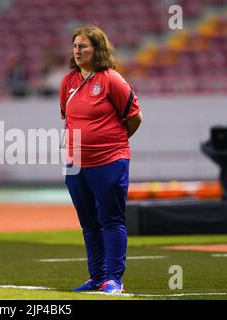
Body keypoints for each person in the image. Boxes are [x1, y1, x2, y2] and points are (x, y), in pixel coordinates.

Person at [59, 25, 143, 294]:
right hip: (76, 164)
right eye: (75, 46)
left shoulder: (112, 80)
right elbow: (67, 118)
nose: (78, 50)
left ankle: (114, 280)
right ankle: (96, 277)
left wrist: (112, 142)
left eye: (83, 46)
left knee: (111, 219)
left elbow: (135, 118)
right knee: (88, 222)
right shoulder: (68, 82)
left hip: (109, 161)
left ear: (98, 49)